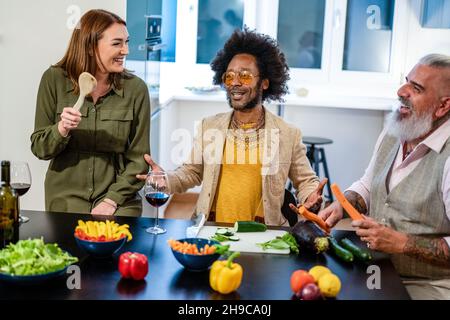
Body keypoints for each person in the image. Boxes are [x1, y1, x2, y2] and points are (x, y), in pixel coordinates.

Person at [138, 29, 326, 226]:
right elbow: (192, 172)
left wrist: (310, 197)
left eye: (244, 76)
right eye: (229, 76)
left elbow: (305, 181)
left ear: (264, 82)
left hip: (264, 234)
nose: (235, 83)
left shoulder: (288, 133)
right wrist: (165, 179)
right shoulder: (209, 126)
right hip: (213, 230)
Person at [318, 54, 450, 299]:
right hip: (378, 267)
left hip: (427, 284)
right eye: (406, 81)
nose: (401, 91)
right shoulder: (395, 129)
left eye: (416, 88)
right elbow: (369, 184)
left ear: (443, 106)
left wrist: (401, 243)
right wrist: (341, 205)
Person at [31, 9, 150, 217]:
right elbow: (40, 148)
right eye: (117, 43)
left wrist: (112, 200)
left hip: (119, 200)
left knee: (120, 246)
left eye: (127, 42)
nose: (126, 51)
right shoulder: (53, 80)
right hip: (65, 199)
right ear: (90, 47)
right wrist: (61, 129)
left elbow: (139, 160)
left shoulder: (136, 89)